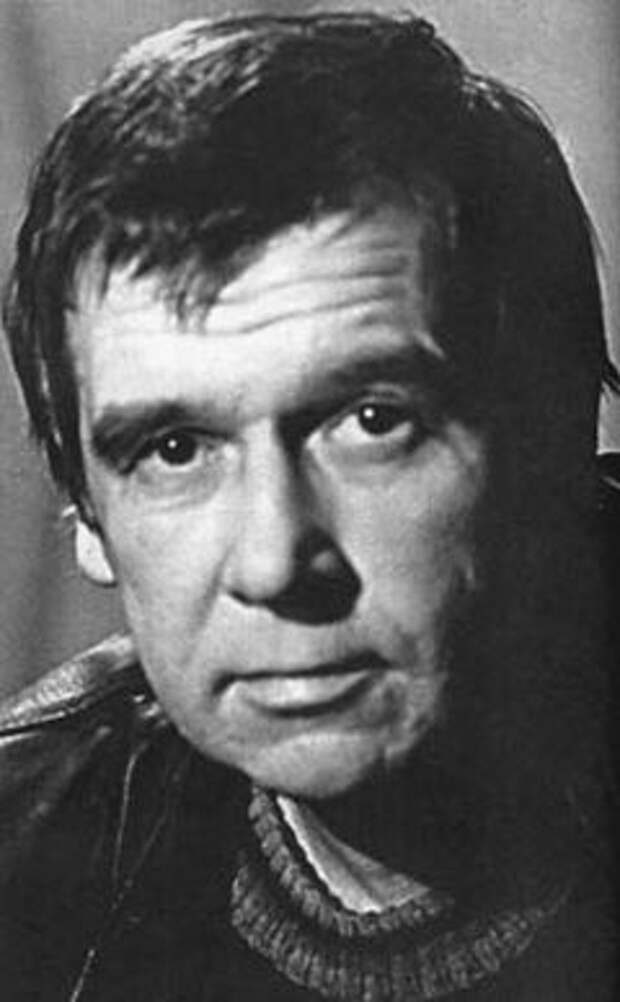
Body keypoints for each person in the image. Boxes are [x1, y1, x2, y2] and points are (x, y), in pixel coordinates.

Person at [0, 12, 617, 1001]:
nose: (276, 559)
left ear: (555, 429)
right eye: (174, 449)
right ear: (88, 518)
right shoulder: (26, 864)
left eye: (372, 421)